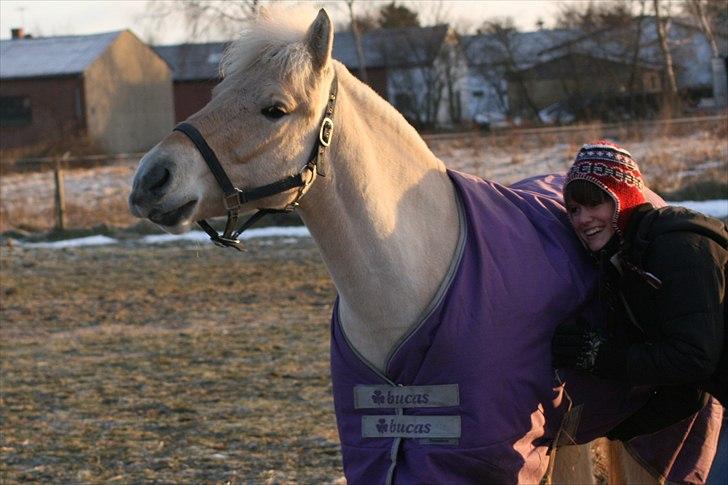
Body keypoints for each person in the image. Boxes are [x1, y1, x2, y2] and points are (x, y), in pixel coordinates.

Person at [552, 140, 727, 441]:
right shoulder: (629, 261)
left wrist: (599, 356)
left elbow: (693, 358)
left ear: (623, 198)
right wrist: (609, 432)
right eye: (574, 209)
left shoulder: (678, 250)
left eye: (595, 203)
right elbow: (688, 386)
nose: (582, 219)